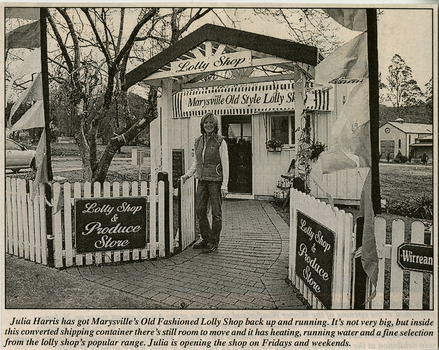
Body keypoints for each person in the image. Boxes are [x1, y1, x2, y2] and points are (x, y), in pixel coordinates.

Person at [181, 113, 229, 253]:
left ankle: (214, 242)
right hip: (202, 180)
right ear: (202, 125)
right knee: (200, 210)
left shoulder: (221, 141)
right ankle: (206, 238)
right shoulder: (198, 141)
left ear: (215, 126)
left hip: (215, 181)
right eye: (206, 123)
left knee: (216, 213)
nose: (208, 125)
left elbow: (225, 164)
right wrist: (188, 175)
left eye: (211, 123)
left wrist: (224, 184)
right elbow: (197, 161)